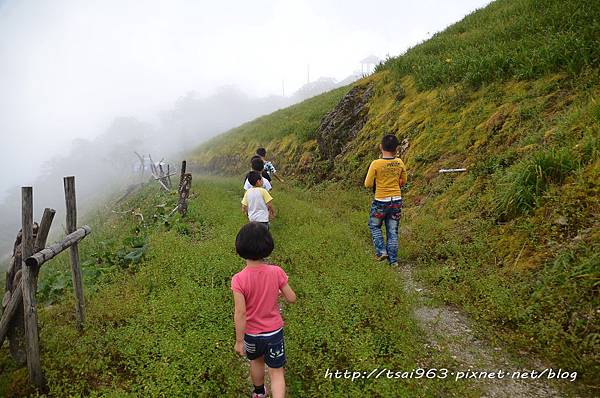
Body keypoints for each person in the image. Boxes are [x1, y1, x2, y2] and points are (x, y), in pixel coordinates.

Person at [232, 222, 297, 398]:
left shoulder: (238, 280)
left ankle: (259, 393)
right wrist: (277, 292)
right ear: (268, 246)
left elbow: (240, 313)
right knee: (276, 372)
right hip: (274, 333)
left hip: (252, 335)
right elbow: (292, 298)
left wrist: (239, 341)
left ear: (240, 248)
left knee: (256, 362)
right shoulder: (276, 272)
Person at [364, 134, 408, 267]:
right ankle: (393, 261)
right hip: (396, 200)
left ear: (380, 147)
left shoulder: (376, 164)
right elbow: (403, 181)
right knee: (392, 230)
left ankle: (381, 251)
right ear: (396, 149)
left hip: (381, 201)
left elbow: (368, 184)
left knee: (374, 226)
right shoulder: (399, 162)